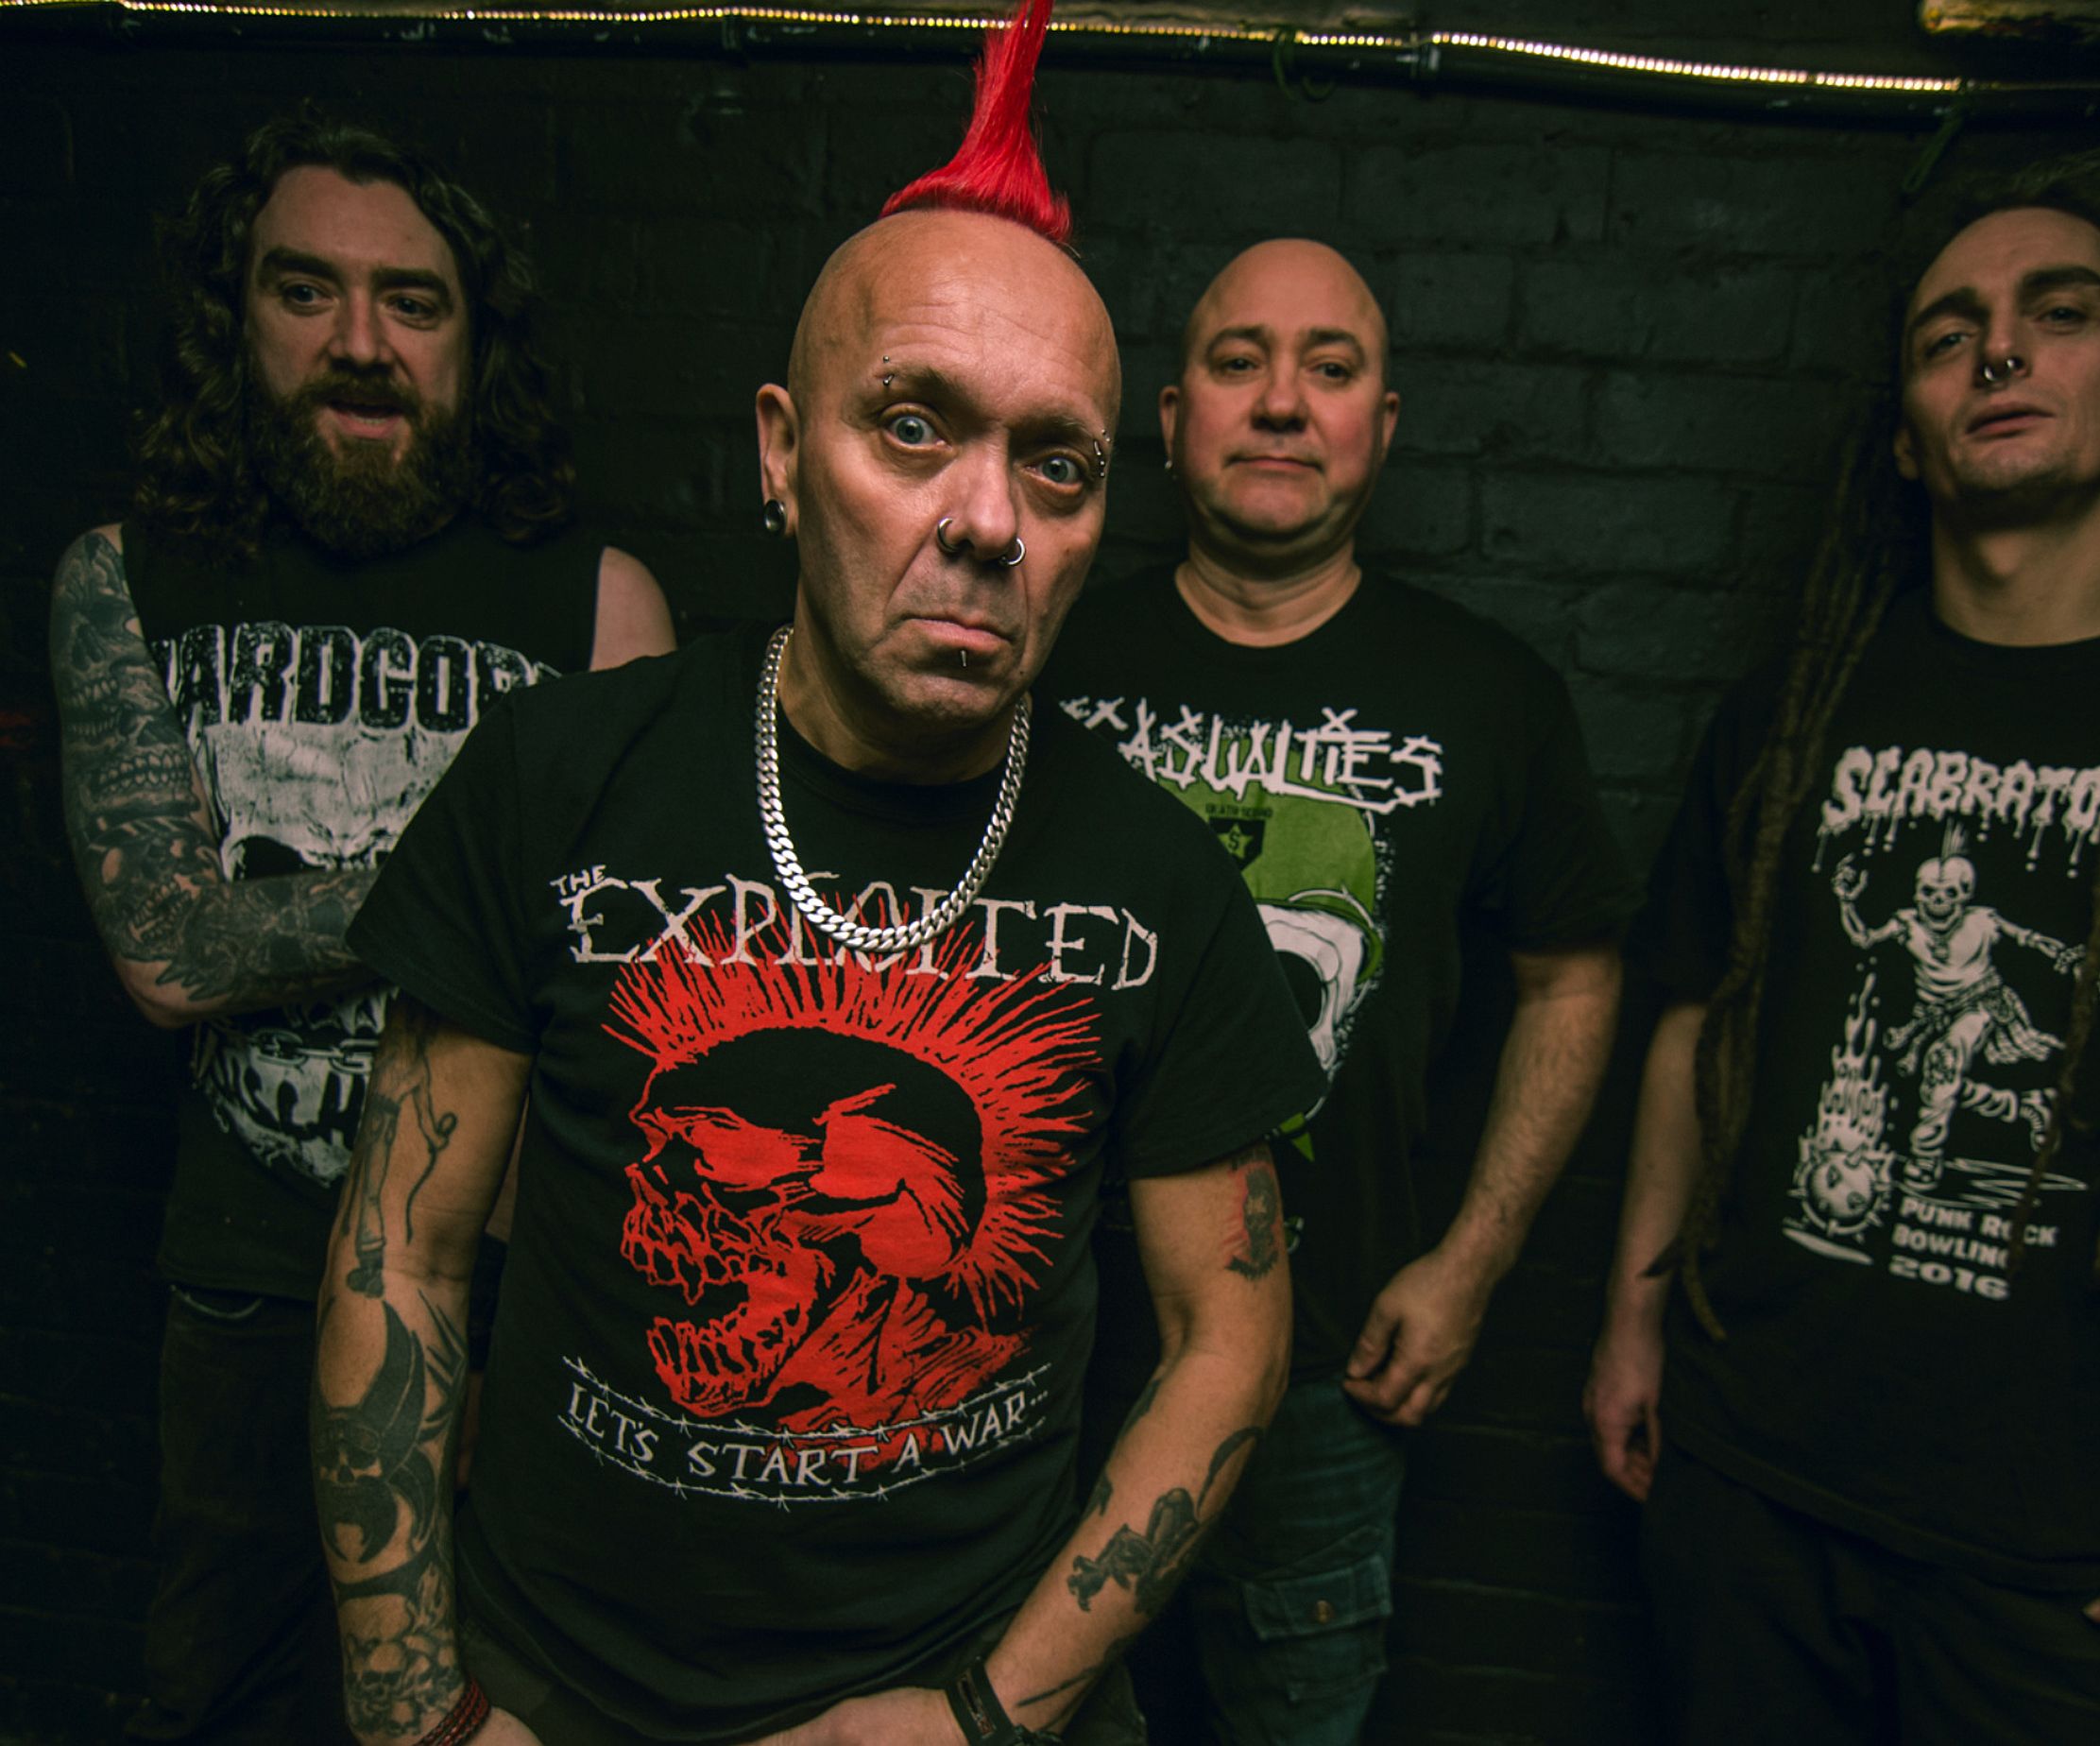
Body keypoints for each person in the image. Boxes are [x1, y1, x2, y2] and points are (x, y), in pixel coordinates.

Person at [310, 6, 1325, 1742]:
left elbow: (1226, 1336)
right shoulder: (563, 780)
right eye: (914, 426)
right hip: (558, 1684)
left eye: (1056, 464)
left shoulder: (1154, 883)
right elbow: (402, 1258)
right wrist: (418, 1713)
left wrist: (987, 1716)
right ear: (783, 454)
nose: (988, 521)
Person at [1585, 150, 2100, 1742]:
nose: (1998, 351)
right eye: (1950, 336)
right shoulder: (1793, 715)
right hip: (1751, 1497)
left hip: (2094, 1569)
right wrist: (1636, 1318)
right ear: (1905, 428)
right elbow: (1697, 1024)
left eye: (2057, 315)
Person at [48, 112, 673, 1743]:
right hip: (247, 1289)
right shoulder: (126, 581)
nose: (362, 343)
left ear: (474, 340)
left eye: (413, 301)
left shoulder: (598, 600)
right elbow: (168, 951)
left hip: (518, 1283)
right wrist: (484, 883)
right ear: (235, 317)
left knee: (517, 1704)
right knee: (234, 1704)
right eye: (305, 290)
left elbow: (619, 989)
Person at [1045, 239, 1634, 1740]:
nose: (1281, 402)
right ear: (1169, 418)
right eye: (1238, 361)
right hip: (1039, 1346)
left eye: (1330, 367)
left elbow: (1573, 978)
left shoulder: (1487, 693)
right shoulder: (1043, 656)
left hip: (1321, 1375)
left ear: (1385, 421)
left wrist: (1471, 1264)